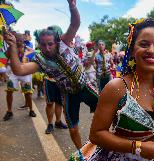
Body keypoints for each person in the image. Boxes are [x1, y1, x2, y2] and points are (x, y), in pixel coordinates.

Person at [58, 18, 154, 161]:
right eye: (144, 44)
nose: (151, 50)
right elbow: (96, 134)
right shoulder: (117, 87)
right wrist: (138, 147)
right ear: (133, 50)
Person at [3, 0, 98, 149]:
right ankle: (83, 154)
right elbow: (19, 71)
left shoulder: (64, 43)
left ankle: (109, 141)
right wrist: (13, 47)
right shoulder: (40, 60)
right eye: (43, 44)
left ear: (57, 42)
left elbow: (75, 24)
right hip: (69, 94)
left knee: (108, 111)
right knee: (73, 128)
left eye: (50, 44)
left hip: (86, 87)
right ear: (39, 44)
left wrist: (72, 7)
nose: (46, 48)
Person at [3, 33, 36, 121]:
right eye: (18, 40)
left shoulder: (28, 49)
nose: (20, 42)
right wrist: (4, 72)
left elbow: (34, 58)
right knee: (9, 91)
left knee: (28, 92)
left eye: (21, 40)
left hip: (25, 72)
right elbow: (4, 58)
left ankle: (31, 110)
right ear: (14, 40)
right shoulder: (11, 48)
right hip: (13, 73)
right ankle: (9, 111)